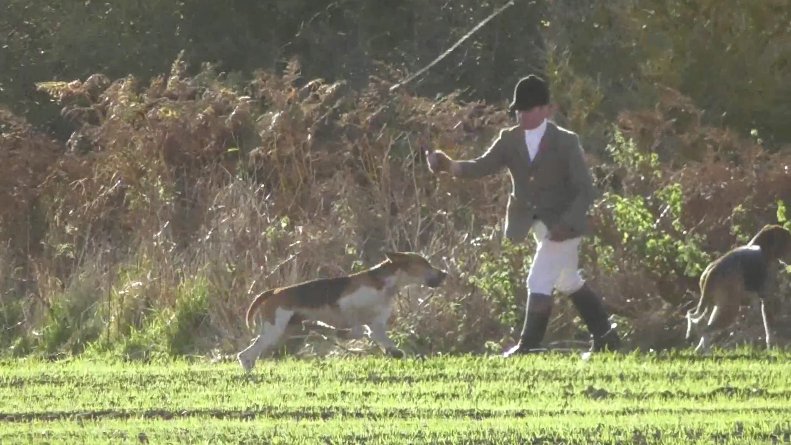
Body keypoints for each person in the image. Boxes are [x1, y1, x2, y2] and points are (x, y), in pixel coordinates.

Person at [425, 74, 621, 356]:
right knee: (568, 280)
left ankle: (528, 346)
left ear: (547, 110)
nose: (523, 115)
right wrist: (448, 165)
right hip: (534, 224)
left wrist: (568, 224)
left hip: (565, 224)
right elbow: (482, 166)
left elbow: (585, 190)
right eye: (519, 110)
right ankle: (606, 336)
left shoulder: (566, 142)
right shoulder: (509, 139)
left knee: (538, 279)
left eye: (529, 109)